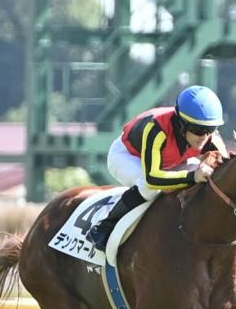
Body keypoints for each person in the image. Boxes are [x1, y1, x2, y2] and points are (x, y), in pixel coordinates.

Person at [88, 85, 227, 251]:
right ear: (182, 124)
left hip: (169, 163)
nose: (204, 137)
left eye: (210, 130)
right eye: (198, 130)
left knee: (204, 172)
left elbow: (223, 172)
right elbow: (153, 178)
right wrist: (192, 177)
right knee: (148, 187)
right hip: (128, 156)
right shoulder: (157, 128)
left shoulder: (209, 139)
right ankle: (104, 226)